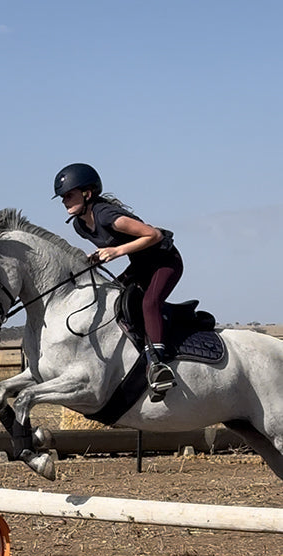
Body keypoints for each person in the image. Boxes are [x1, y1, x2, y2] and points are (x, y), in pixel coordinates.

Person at [53, 162, 184, 401]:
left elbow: (153, 235)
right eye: (62, 197)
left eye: (68, 195)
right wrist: (98, 256)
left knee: (148, 303)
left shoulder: (107, 215)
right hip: (142, 266)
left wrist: (117, 251)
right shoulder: (80, 225)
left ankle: (158, 366)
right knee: (114, 297)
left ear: (87, 193)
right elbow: (109, 249)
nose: (64, 201)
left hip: (166, 262)